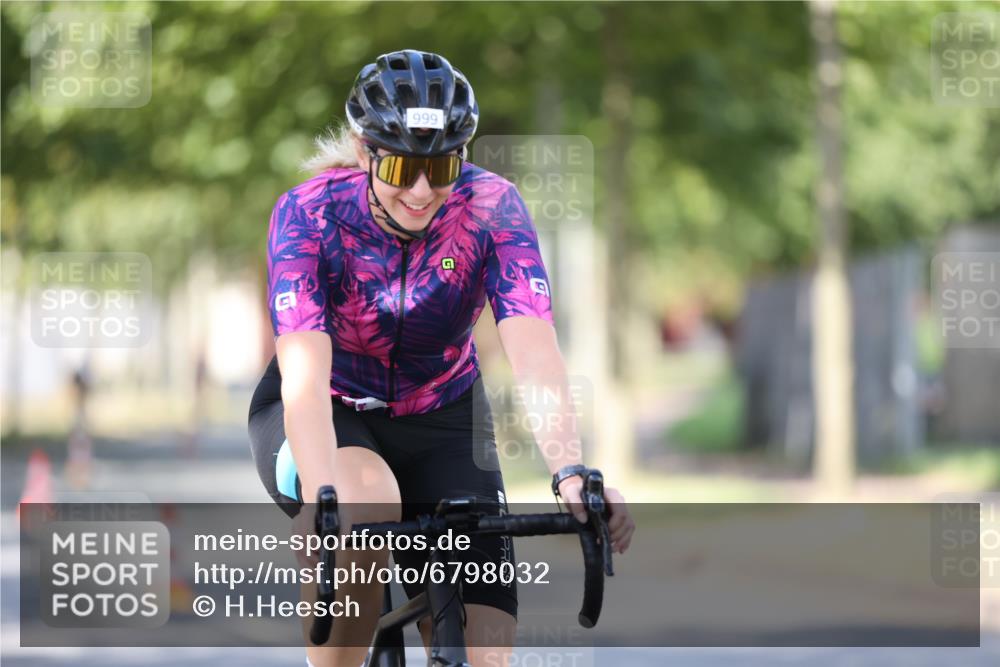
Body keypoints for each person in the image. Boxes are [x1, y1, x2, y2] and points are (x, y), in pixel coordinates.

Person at [248, 49, 635, 667]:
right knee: (363, 498)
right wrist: (322, 499)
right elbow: (304, 375)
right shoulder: (309, 215)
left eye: (443, 165)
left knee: (485, 654)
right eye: (402, 166)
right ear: (364, 150)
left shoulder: (492, 208)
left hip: (446, 414)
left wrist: (569, 471)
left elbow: (533, 349)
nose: (423, 190)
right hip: (331, 409)